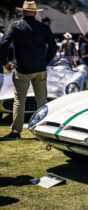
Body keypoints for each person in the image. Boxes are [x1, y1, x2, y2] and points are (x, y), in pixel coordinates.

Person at [0, 1, 56, 140]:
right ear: (35, 12)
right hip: (40, 68)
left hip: (22, 69)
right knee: (42, 100)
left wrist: (6, 62)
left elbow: (4, 45)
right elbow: (54, 47)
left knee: (19, 100)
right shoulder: (43, 27)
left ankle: (16, 132)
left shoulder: (16, 26)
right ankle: (43, 129)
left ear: (23, 12)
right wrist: (45, 62)